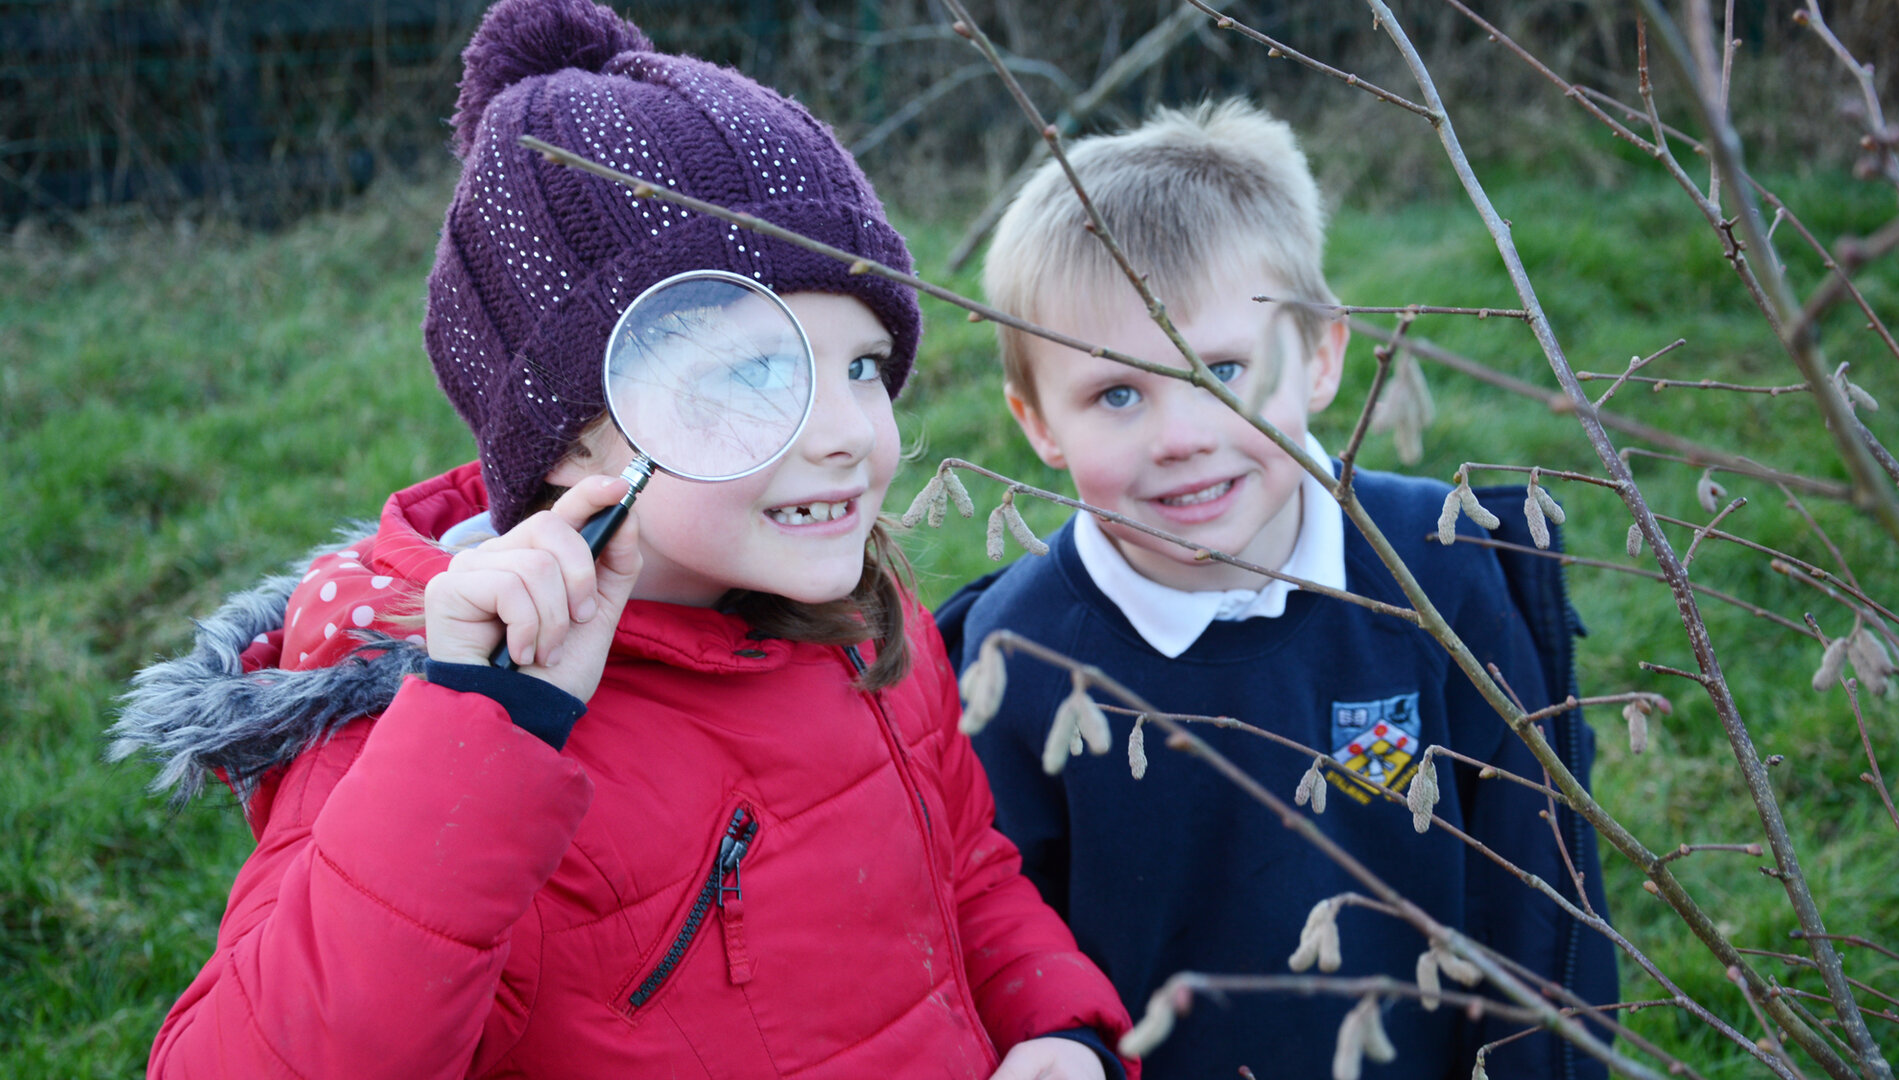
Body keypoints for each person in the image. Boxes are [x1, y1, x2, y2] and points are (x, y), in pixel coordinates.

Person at [108, 2, 1136, 1076]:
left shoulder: (871, 624)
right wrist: (482, 732)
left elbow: (966, 866)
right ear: (572, 441)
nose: (844, 434)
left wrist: (1049, 1023)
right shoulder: (436, 729)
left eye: (864, 365)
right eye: (752, 373)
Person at [937, 101, 1617, 1079]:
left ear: (1323, 355)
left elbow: (1539, 903)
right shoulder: (1014, 659)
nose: (1181, 434)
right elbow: (1001, 932)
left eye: (1222, 369)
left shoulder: (1444, 576)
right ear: (1037, 422)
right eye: (1116, 394)